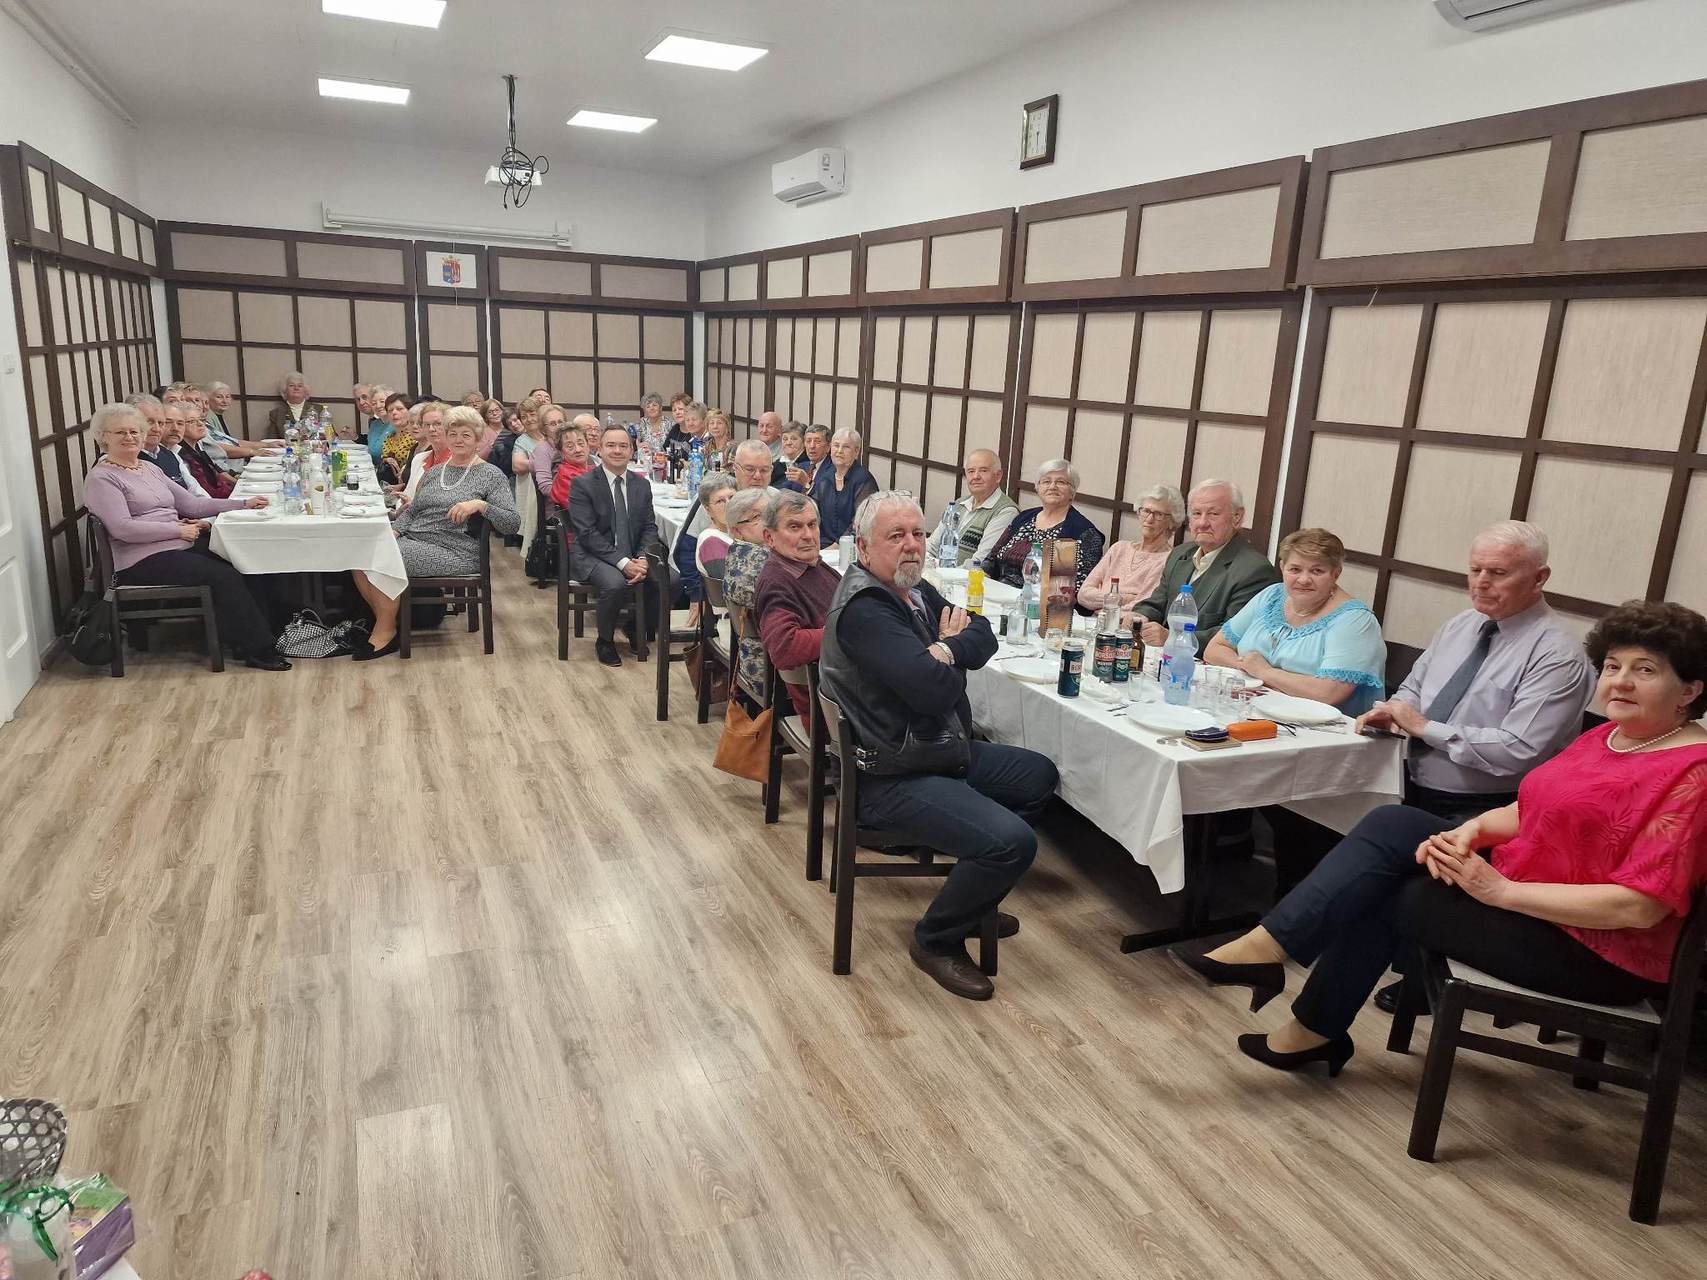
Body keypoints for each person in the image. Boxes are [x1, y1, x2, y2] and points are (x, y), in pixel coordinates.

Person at [1176, 599, 1707, 1077]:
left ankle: (1306, 1017)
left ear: (1690, 690)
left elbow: (1640, 907)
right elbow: (1533, 809)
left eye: (1645, 670)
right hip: (1528, 895)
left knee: (1388, 890)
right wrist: (1469, 832)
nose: (1621, 682)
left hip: (1593, 949)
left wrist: (1501, 891)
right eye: (1612, 666)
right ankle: (1278, 965)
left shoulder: (1693, 772)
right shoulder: (1609, 736)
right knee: (1394, 824)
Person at [820, 492, 1058, 1000]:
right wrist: (949, 656)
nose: (912, 545)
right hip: (889, 774)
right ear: (863, 547)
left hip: (930, 748)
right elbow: (933, 693)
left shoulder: (910, 587)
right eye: (896, 536)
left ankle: (973, 897)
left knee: (1037, 776)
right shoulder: (867, 609)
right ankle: (936, 939)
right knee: (1012, 842)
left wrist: (945, 649)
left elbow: (984, 633)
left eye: (918, 533)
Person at [82, 403, 286, 670]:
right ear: (103, 437)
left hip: (177, 545)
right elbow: (122, 528)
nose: (129, 437)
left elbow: (192, 505)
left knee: (245, 559)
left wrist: (243, 503)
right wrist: (177, 530)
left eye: (134, 431)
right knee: (224, 576)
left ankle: (258, 636)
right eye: (120, 432)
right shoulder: (102, 478)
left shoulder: (148, 468)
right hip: (139, 559)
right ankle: (258, 649)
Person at [350, 407, 519, 661]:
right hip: (415, 539)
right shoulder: (434, 472)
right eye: (453, 434)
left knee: (381, 557)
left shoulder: (490, 475)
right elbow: (413, 509)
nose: (458, 440)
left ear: (477, 439)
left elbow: (512, 523)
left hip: (456, 550)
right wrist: (396, 530)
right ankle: (387, 621)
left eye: (466, 435)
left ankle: (386, 632)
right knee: (359, 556)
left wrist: (481, 505)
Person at [1206, 528, 1386, 716]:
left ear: (1335, 574)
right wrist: (1248, 668)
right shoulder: (1271, 595)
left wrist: (1264, 672)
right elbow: (1215, 649)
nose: (1304, 579)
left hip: (1323, 726)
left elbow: (1327, 693)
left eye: (1317, 571)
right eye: (1295, 569)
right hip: (1255, 710)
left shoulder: (1355, 620)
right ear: (1282, 567)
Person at [1131, 479, 1279, 654]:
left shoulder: (1254, 570)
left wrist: (1172, 638)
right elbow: (1157, 602)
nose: (1202, 523)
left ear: (1237, 518)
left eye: (1213, 514)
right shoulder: (1180, 553)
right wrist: (1141, 616)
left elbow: (1234, 635)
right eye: (1196, 513)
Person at [568, 423, 663, 667]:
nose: (617, 451)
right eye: (611, 445)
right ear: (599, 449)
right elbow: (587, 534)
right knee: (615, 583)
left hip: (633, 552)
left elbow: (649, 527)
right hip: (593, 554)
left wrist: (642, 559)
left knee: (670, 580)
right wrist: (623, 563)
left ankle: (635, 626)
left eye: (623, 446)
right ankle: (605, 640)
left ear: (632, 451)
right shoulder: (583, 484)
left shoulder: (641, 485)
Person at [751, 491, 841, 717]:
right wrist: (844, 632)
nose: (808, 535)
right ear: (769, 537)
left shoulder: (812, 566)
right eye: (794, 527)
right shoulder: (778, 583)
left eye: (812, 525)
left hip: (845, 692)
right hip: (829, 711)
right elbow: (785, 647)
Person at [986, 460, 1106, 593]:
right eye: (1046, 481)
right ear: (1038, 488)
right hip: (997, 592)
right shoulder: (1024, 518)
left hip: (1040, 601)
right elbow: (991, 560)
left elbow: (1077, 589)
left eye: (1061, 482)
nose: (1052, 486)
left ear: (1072, 492)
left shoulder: (1083, 533)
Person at [1078, 484, 1183, 619]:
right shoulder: (1119, 548)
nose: (1149, 519)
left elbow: (1142, 608)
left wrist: (1103, 600)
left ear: (1172, 521)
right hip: (1093, 623)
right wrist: (1123, 599)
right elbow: (1083, 595)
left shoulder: (1168, 560)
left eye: (1159, 514)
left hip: (1127, 628)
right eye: (1146, 511)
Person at [925, 449, 1020, 568]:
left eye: (983, 470)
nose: (976, 476)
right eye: (971, 471)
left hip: (966, 578)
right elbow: (932, 546)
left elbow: (979, 563)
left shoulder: (1005, 511)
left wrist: (942, 573)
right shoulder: (959, 504)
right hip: (936, 572)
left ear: (998, 476)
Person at [812, 427, 878, 547]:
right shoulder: (826, 476)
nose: (839, 451)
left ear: (856, 452)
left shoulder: (863, 479)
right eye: (836, 445)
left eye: (846, 447)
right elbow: (813, 508)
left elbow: (862, 521)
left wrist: (838, 545)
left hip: (851, 545)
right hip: (822, 542)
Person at [178, 407, 234, 499]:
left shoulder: (198, 445)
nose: (200, 424)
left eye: (201, 420)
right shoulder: (181, 454)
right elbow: (201, 491)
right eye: (192, 421)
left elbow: (217, 472)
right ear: (179, 426)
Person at [399, 402, 449, 501]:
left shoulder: (458, 461)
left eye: (438, 424)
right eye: (427, 424)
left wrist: (412, 505)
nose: (431, 429)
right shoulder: (419, 459)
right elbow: (407, 495)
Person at [692, 472, 738, 578]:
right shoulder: (711, 542)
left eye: (732, 497)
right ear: (708, 510)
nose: (729, 504)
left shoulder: (741, 533)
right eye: (720, 501)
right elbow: (730, 582)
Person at [548, 423, 593, 510]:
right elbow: (583, 508)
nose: (577, 450)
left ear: (588, 446)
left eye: (581, 444)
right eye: (570, 446)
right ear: (561, 452)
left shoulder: (593, 469)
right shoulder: (565, 476)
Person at [377, 394, 417, 485]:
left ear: (410, 411)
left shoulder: (415, 437)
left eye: (399, 409)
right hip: (388, 483)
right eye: (390, 410)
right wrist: (387, 460)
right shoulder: (389, 438)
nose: (394, 413)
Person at [782, 424, 831, 492]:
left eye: (818, 442)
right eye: (808, 441)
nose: (812, 446)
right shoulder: (801, 467)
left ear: (828, 447)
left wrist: (806, 483)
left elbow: (824, 496)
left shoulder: (833, 469)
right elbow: (784, 491)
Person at [771, 421, 806, 486]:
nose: (788, 443)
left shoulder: (808, 464)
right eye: (785, 439)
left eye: (794, 439)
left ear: (804, 442)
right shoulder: (777, 464)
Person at [704, 408, 735, 473]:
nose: (715, 426)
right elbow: (704, 468)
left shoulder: (732, 448)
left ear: (727, 426)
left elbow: (731, 474)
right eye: (712, 423)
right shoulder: (709, 445)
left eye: (719, 423)